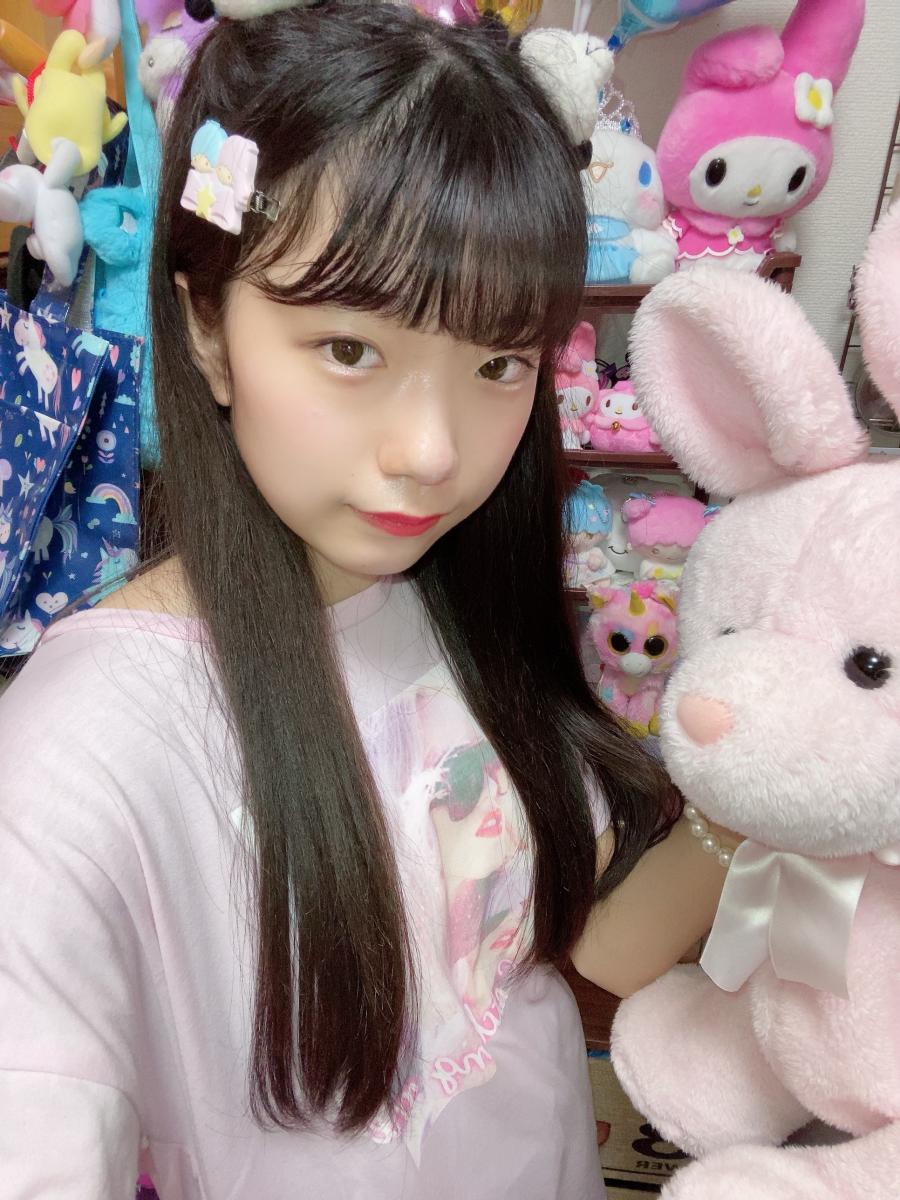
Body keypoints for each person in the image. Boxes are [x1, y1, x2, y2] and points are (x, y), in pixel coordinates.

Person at [0, 4, 736, 1197]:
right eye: (351, 350)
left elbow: (582, 950)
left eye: (497, 363)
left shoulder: (452, 598)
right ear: (207, 325)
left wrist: (770, 787)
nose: (433, 452)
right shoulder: (79, 756)